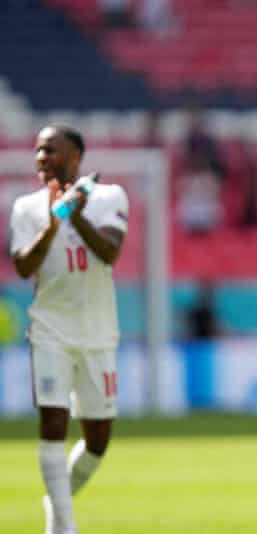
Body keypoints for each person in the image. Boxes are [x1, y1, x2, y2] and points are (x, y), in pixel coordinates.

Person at [9, 125, 129, 534]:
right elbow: (24, 267)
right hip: (50, 329)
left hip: (98, 332)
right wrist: (53, 225)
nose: (40, 158)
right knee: (53, 423)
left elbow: (109, 253)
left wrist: (75, 215)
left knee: (97, 440)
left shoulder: (109, 197)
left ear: (75, 157)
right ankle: (65, 525)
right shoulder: (26, 208)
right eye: (38, 151)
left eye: (49, 150)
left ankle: (55, 502)